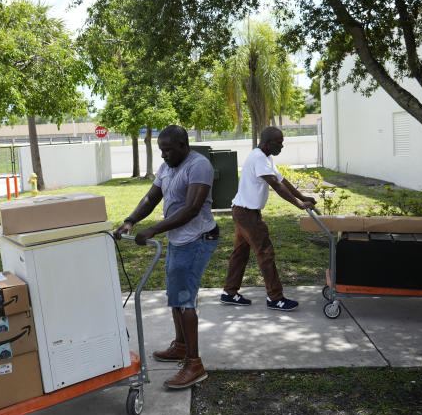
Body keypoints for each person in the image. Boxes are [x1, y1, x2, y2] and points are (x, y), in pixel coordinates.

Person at [115, 125, 219, 389]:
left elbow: (193, 208)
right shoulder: (167, 167)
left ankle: (194, 365)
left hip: (197, 239)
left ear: (184, 145)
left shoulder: (199, 166)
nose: (164, 155)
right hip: (178, 239)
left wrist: (154, 229)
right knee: (175, 295)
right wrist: (131, 220)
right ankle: (182, 346)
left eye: (168, 150)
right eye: (161, 150)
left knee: (184, 300)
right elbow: (151, 197)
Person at [220, 126, 316, 311]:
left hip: (244, 211)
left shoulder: (266, 157)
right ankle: (275, 298)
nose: (282, 145)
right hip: (247, 214)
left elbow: (282, 181)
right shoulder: (258, 158)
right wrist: (298, 204)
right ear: (267, 143)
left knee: (240, 254)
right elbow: (275, 185)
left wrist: (303, 197)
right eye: (278, 142)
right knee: (265, 252)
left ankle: (229, 293)